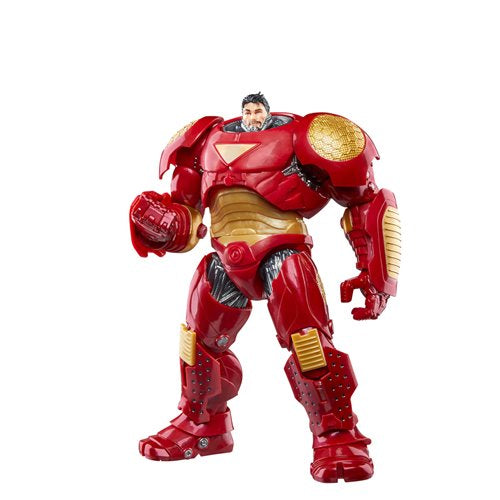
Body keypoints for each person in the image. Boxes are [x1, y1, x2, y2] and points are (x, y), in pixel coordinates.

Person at [129, 92, 400, 483]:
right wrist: (160, 224)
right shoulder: (204, 139)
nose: (252, 116)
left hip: (282, 254)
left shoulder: (307, 135)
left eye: (258, 111)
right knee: (196, 343)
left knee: (309, 344)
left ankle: (338, 435)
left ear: (267, 112)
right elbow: (186, 215)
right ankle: (203, 424)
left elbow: (366, 201)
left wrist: (375, 276)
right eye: (248, 110)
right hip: (223, 257)